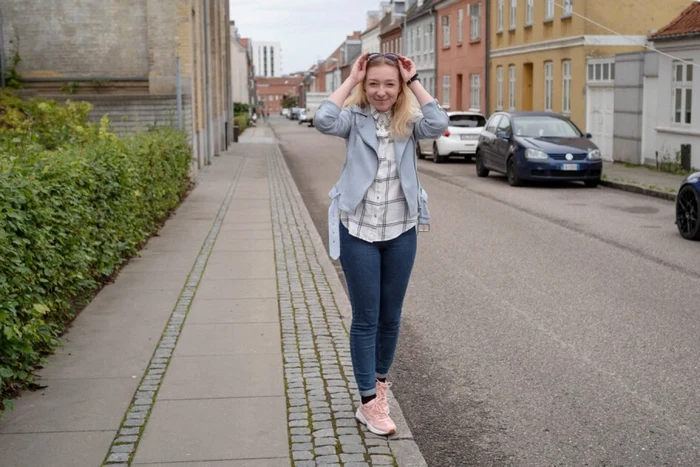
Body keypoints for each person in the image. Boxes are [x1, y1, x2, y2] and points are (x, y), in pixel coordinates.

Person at [313, 52, 448, 436]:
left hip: (401, 229)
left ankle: (380, 386)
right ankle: (370, 401)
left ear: (400, 85)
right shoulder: (353, 120)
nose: (381, 91)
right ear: (364, 85)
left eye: (390, 83)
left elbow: (438, 123)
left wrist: (416, 79)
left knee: (391, 317)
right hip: (359, 229)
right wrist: (352, 78)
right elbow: (323, 119)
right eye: (374, 83)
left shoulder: (409, 121)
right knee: (366, 318)